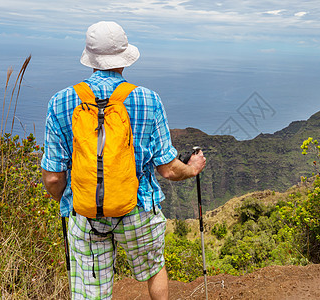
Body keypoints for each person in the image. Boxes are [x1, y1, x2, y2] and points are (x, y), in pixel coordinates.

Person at [41, 21, 206, 300]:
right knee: (155, 269)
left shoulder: (61, 101)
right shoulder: (148, 99)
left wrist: (69, 199)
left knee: (89, 289)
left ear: (90, 59)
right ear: (124, 58)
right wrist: (192, 169)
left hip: (85, 212)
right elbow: (167, 169)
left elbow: (54, 177)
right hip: (138, 207)